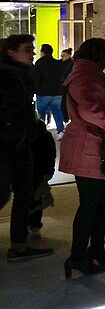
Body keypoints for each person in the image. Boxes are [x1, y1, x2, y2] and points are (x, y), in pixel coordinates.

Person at [59, 38, 105, 277]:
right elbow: (89, 110)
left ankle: (96, 249)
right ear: (101, 56)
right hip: (88, 147)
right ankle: (77, 256)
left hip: (93, 146)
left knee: (99, 204)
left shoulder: (87, 73)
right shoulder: (86, 76)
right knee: (90, 205)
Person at [1, 34, 54, 261]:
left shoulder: (23, 74)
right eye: (27, 49)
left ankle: (19, 245)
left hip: (21, 143)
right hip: (6, 144)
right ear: (11, 52)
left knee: (24, 193)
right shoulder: (5, 75)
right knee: (3, 194)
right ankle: (18, 245)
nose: (32, 52)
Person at [33, 43, 66, 133]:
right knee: (57, 112)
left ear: (43, 52)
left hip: (43, 93)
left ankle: (41, 131)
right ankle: (60, 130)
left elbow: (36, 77)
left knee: (41, 114)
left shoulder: (39, 62)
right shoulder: (58, 63)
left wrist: (34, 89)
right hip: (57, 92)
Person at [59, 48, 73, 123]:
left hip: (67, 86)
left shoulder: (71, 64)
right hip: (64, 87)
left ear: (69, 55)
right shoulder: (63, 63)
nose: (61, 58)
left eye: (63, 56)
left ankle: (66, 119)